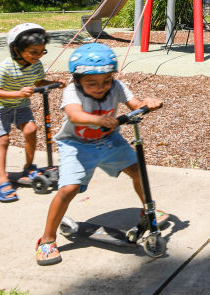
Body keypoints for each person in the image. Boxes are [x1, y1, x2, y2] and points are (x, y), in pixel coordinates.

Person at [35, 42, 162, 266]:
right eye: (91, 83)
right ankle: (46, 240)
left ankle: (147, 214)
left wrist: (147, 103)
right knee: (69, 189)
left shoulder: (117, 86)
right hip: (76, 144)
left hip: (108, 139)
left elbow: (135, 104)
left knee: (138, 172)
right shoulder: (72, 91)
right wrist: (97, 119)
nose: (100, 87)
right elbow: (74, 115)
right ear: (77, 79)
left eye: (106, 81)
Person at [0, 23, 59, 202]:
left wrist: (53, 82)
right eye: (33, 52)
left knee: (31, 130)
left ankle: (29, 167)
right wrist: (17, 93)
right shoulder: (4, 67)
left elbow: (38, 82)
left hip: (20, 104)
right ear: (16, 49)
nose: (38, 56)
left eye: (42, 51)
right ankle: (1, 179)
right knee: (3, 140)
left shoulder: (36, 65)